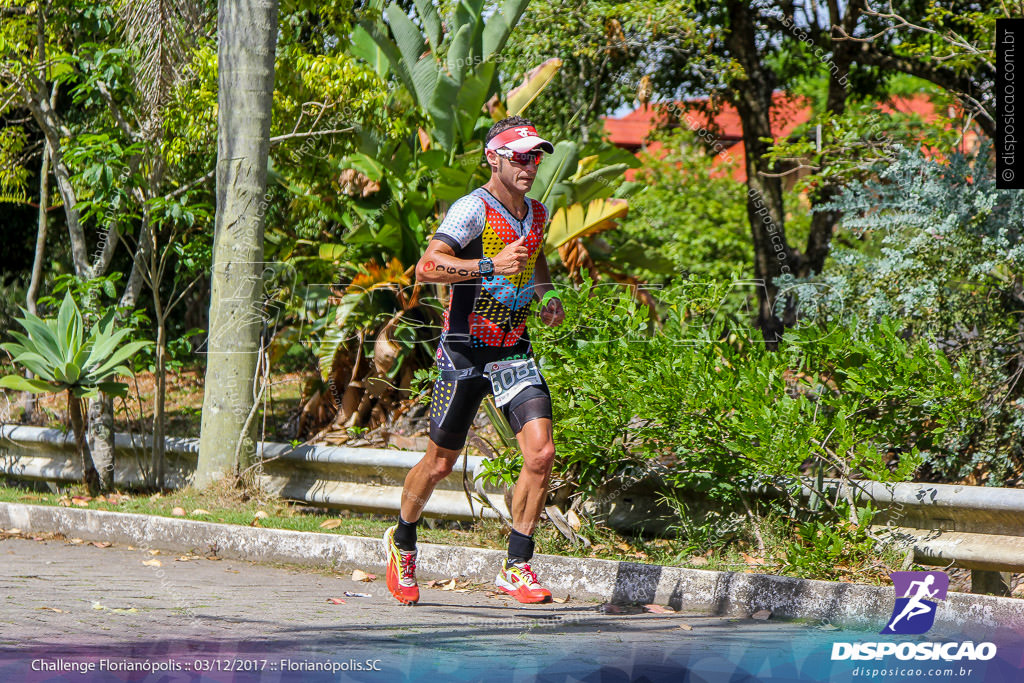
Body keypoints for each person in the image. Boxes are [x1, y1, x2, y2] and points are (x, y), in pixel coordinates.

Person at [383, 116, 565, 605]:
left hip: (513, 351)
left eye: (536, 156)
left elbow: (535, 255)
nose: (530, 165)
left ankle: (517, 565)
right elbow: (426, 267)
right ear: (494, 158)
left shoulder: (538, 213)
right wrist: (487, 265)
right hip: (463, 352)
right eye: (520, 156)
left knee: (541, 453)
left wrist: (545, 293)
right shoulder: (472, 210)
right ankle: (402, 544)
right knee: (441, 463)